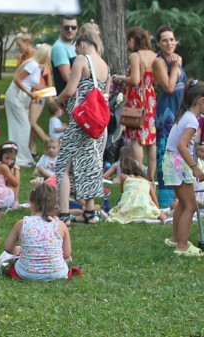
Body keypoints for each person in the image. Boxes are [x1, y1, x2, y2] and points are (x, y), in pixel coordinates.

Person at [54, 24, 111, 224]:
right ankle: (89, 212)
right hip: (98, 125)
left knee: (63, 165)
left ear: (83, 43)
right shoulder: (105, 65)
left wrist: (57, 100)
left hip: (81, 123)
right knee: (91, 164)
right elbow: (105, 96)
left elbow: (70, 90)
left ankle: (64, 213)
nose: (76, 52)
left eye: (77, 47)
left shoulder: (82, 60)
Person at [164, 81, 204, 257]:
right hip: (180, 164)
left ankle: (174, 237)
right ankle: (182, 245)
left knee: (183, 203)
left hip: (172, 162)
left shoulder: (186, 115)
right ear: (201, 101)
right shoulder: (192, 121)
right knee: (191, 205)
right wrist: (195, 167)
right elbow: (182, 145)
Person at [0, 184, 72, 281]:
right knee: (67, 260)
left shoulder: (22, 223)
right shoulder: (61, 225)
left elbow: (8, 248)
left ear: (32, 204)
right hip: (56, 273)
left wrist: (19, 251)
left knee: (15, 260)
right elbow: (66, 254)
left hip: (26, 273)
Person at [119, 27, 160, 179]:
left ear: (133, 40)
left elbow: (135, 80)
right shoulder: (155, 56)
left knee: (136, 139)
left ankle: (139, 175)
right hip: (150, 98)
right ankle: (151, 177)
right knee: (151, 139)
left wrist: (121, 78)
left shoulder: (135, 56)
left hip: (137, 100)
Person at [151, 25, 189, 167]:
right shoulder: (158, 62)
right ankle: (166, 184)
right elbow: (168, 87)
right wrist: (173, 67)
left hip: (181, 104)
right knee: (167, 145)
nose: (169, 43)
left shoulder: (178, 58)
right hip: (167, 107)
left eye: (172, 39)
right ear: (159, 43)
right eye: (165, 40)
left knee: (182, 143)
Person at [107, 144, 164, 224]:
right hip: (145, 208)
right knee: (157, 212)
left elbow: (123, 191)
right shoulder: (147, 182)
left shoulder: (124, 177)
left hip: (129, 208)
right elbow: (156, 205)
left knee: (116, 210)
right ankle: (164, 219)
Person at [5, 33, 40, 153]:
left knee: (30, 123)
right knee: (24, 124)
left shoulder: (36, 57)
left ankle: (34, 149)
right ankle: (22, 152)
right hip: (23, 94)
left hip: (35, 93)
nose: (18, 48)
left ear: (27, 43)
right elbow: (18, 77)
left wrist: (48, 92)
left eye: (19, 45)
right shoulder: (22, 58)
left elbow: (45, 75)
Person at [50, 15, 78, 95]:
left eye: (73, 27)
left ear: (77, 28)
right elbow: (68, 78)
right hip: (68, 101)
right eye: (66, 27)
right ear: (60, 28)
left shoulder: (72, 47)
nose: (70, 30)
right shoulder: (59, 48)